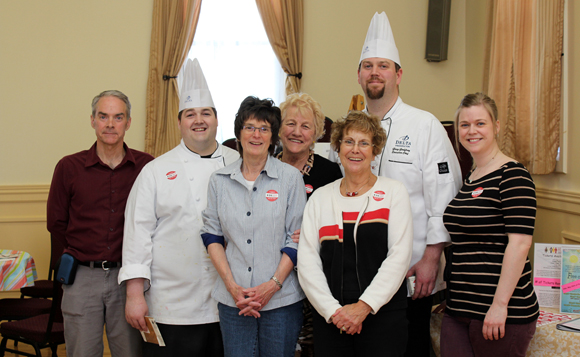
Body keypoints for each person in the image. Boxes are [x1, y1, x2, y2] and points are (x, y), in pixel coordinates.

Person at [328, 12, 462, 355]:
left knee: (409, 348)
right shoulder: (350, 131)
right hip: (355, 273)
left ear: (398, 74)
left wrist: (432, 256)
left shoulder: (424, 125)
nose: (375, 72)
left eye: (384, 65)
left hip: (412, 272)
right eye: (368, 65)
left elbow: (445, 197)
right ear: (359, 75)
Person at [119, 59, 239, 356]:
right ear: (179, 122)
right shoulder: (155, 170)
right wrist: (135, 294)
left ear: (216, 119)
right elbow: (137, 235)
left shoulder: (240, 164)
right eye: (190, 114)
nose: (198, 120)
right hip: (170, 303)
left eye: (205, 113)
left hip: (229, 301)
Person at [47, 90, 153, 357]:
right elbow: (56, 222)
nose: (110, 124)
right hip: (82, 278)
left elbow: (157, 222)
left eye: (118, 117)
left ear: (128, 122)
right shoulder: (68, 167)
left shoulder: (147, 167)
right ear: (92, 120)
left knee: (131, 353)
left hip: (129, 279)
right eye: (103, 116)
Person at [298, 111, 413, 356]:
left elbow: (399, 256)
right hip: (331, 319)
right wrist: (333, 312)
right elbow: (307, 262)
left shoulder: (394, 192)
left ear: (375, 150)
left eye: (364, 143)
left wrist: (363, 307)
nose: (355, 150)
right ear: (338, 148)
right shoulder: (320, 198)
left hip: (383, 315)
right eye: (348, 142)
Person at [201, 96, 307, 357]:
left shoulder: (290, 179)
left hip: (281, 300)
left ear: (273, 136)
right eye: (249, 127)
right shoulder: (219, 181)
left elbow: (296, 239)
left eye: (264, 128)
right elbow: (211, 236)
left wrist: (271, 286)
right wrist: (233, 287)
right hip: (233, 300)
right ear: (239, 133)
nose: (256, 135)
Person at [440, 93, 539, 356]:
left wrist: (499, 305)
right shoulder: (471, 177)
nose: (472, 131)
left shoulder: (513, 175)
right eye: (464, 124)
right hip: (459, 308)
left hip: (500, 314)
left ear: (495, 126)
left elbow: (519, 244)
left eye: (480, 123)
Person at [278, 93, 342, 199]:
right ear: (279, 128)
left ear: (315, 134)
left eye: (305, 126)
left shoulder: (330, 173)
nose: (297, 132)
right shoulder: (265, 169)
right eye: (291, 124)